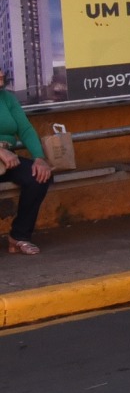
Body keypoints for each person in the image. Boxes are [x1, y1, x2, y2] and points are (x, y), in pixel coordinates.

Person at [0, 70, 52, 255]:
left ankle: (19, 236)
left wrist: (39, 158)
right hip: (3, 156)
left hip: (8, 159)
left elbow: (25, 129)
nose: (0, 74)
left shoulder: (7, 98)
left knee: (39, 177)